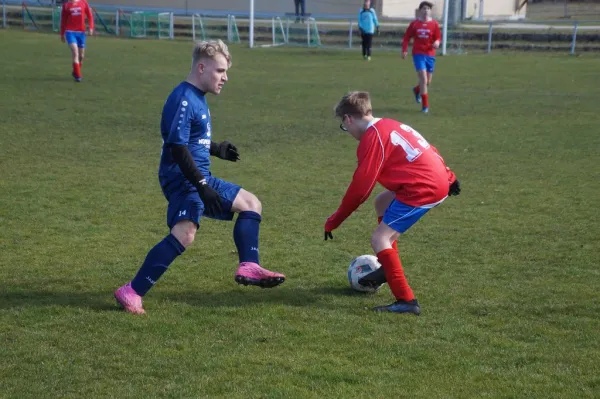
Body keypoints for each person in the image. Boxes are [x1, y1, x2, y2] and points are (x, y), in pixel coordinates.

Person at [114, 40, 286, 315]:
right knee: (184, 234)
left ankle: (249, 265)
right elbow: (177, 147)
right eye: (220, 71)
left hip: (198, 176)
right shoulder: (183, 98)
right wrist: (202, 185)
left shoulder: (197, 97)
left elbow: (191, 139)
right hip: (183, 178)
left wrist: (216, 149)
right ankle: (132, 291)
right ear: (202, 67)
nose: (225, 77)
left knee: (251, 204)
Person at [324, 91, 460, 315]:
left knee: (380, 238)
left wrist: (335, 220)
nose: (347, 131)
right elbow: (426, 148)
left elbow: (361, 188)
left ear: (348, 119)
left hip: (423, 188)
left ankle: (406, 301)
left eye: (344, 125)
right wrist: (450, 176)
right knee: (382, 202)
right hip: (434, 181)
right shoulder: (389, 124)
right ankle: (387, 268)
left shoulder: (372, 138)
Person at [401, 1, 441, 113]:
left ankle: (416, 89)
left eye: (428, 8)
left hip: (430, 55)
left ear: (430, 11)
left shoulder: (434, 24)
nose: (426, 10)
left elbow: (438, 37)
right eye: (424, 8)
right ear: (420, 10)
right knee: (423, 78)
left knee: (427, 82)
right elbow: (406, 38)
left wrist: (437, 42)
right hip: (418, 54)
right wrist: (404, 50)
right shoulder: (414, 24)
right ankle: (425, 106)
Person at [60, 0, 94, 82]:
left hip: (81, 33)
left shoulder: (83, 3)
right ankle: (78, 76)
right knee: (75, 52)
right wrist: (62, 34)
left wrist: (91, 27)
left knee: (81, 56)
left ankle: (75, 70)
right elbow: (63, 20)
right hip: (70, 32)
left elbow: (90, 16)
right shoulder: (66, 5)